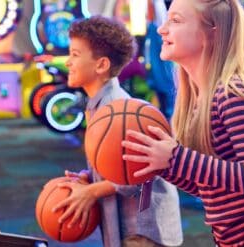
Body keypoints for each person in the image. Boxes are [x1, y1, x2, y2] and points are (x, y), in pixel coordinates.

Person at [122, 0, 244, 246]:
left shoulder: (232, 94)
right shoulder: (199, 96)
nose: (161, 29)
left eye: (176, 20)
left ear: (213, 33)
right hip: (237, 237)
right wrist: (165, 166)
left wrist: (176, 158)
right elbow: (210, 187)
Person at [52, 16, 183, 247]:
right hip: (129, 225)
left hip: (144, 230)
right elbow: (115, 164)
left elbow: (137, 175)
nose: (68, 62)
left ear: (101, 65)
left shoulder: (120, 111)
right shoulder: (99, 105)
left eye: (75, 54)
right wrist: (89, 177)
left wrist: (92, 191)